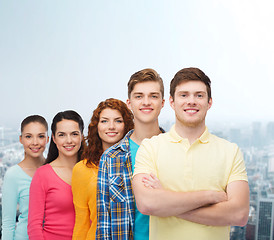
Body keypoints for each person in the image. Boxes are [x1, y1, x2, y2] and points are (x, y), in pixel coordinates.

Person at [132, 67, 249, 240]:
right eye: (184, 95)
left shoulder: (230, 151)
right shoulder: (150, 148)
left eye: (199, 95)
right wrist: (210, 196)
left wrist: (167, 204)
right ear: (172, 102)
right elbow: (147, 204)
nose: (191, 101)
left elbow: (239, 214)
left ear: (209, 102)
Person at [96, 68, 166, 240]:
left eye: (153, 96)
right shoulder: (111, 158)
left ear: (163, 102)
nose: (146, 102)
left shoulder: (178, 151)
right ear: (129, 103)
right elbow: (104, 223)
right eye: (139, 96)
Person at [71, 98, 134, 240]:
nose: (111, 126)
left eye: (118, 121)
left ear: (126, 125)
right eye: (104, 121)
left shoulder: (137, 161)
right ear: (96, 126)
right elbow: (82, 223)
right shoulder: (81, 169)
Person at [28, 110, 85, 240]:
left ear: (81, 136)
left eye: (74, 134)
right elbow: (34, 226)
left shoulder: (92, 170)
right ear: (53, 138)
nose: (69, 140)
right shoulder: (43, 175)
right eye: (62, 135)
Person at [2, 115, 49, 240]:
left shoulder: (54, 169)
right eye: (28, 136)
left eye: (40, 136)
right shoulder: (12, 175)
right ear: (21, 139)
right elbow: (8, 223)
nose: (35, 142)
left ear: (48, 139)